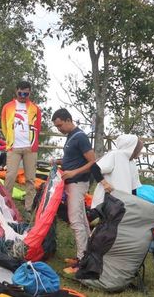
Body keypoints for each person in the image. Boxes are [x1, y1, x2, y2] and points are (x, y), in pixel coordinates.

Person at [51, 108, 95, 274]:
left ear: (68, 120)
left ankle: (82, 261)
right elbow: (73, 159)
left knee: (75, 221)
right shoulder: (71, 137)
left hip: (78, 183)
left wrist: (74, 172)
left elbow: (92, 161)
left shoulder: (81, 137)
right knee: (82, 220)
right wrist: (59, 161)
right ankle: (85, 255)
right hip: (71, 183)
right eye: (57, 127)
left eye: (60, 125)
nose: (59, 129)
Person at [1, 80, 42, 215]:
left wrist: (34, 143)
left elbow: (38, 127)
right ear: (16, 91)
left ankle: (28, 208)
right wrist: (9, 141)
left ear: (29, 93)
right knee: (10, 176)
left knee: (30, 178)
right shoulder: (8, 107)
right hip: (14, 147)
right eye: (20, 93)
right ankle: (6, 205)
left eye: (26, 93)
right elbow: (4, 126)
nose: (23, 96)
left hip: (30, 148)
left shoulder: (35, 108)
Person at [90, 134, 144, 208]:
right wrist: (105, 184)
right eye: (139, 150)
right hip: (108, 199)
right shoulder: (115, 155)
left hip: (122, 202)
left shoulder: (132, 163)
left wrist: (133, 203)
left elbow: (133, 188)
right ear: (133, 148)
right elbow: (94, 168)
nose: (140, 153)